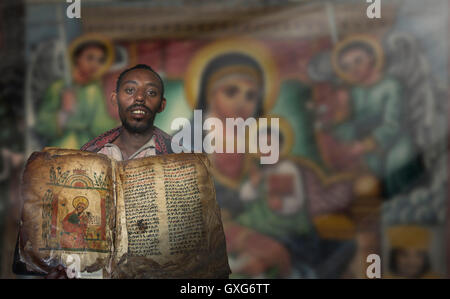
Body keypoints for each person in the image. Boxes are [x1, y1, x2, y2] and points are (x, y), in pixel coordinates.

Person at [13, 64, 175, 278]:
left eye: (151, 92)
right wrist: (58, 268)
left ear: (161, 105)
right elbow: (55, 237)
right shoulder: (88, 156)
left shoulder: (177, 162)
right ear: (114, 99)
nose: (139, 98)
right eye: (130, 90)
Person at [35, 35, 117, 149]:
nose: (95, 64)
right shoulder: (58, 87)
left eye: (100, 60)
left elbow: (99, 124)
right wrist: (63, 113)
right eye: (90, 58)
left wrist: (121, 126)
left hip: (88, 148)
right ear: (77, 58)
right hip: (61, 147)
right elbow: (42, 124)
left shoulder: (94, 90)